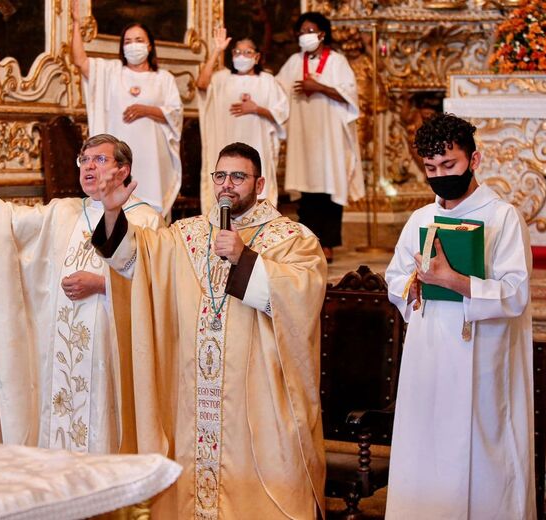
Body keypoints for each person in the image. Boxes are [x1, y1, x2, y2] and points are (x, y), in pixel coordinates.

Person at [91, 142, 327, 519]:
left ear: (260, 183)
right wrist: (112, 210)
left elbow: (302, 299)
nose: (227, 186)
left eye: (238, 176)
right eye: (220, 176)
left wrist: (245, 257)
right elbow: (134, 260)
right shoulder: (186, 235)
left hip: (256, 402)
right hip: (194, 395)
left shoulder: (292, 238)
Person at [0, 134, 164, 453]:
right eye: (84, 159)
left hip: (112, 353)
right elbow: (1, 220)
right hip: (62, 359)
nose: (89, 167)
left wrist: (99, 284)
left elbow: (157, 284)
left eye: (100, 159)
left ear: (123, 170)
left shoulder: (146, 217)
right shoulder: (62, 212)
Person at [384, 113, 534, 519]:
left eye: (449, 165)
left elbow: (515, 292)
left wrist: (456, 281)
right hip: (428, 353)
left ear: (474, 159)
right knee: (424, 446)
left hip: (481, 357)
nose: (440, 175)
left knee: (480, 453)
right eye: (431, 168)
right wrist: (408, 287)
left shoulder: (503, 218)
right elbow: (396, 276)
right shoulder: (420, 218)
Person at [70, 2, 183, 217]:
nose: (133, 45)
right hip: (118, 158)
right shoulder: (110, 72)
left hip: (153, 158)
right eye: (128, 41)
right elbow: (80, 60)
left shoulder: (163, 79)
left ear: (150, 46)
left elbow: (175, 114)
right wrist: (76, 23)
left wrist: (147, 110)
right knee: (118, 208)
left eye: (139, 40)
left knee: (152, 214)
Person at [276, 11, 364, 263]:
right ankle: (308, 242)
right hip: (303, 136)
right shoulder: (294, 61)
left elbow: (350, 95)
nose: (305, 36)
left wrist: (320, 88)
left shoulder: (337, 61)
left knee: (329, 186)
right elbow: (277, 89)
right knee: (307, 189)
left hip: (330, 137)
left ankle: (328, 244)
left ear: (322, 34)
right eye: (301, 31)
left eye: (309, 30)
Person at [196, 27, 289, 215]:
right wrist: (217, 50)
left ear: (256, 57)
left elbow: (282, 114)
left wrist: (257, 109)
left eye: (247, 52)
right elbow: (201, 83)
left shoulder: (268, 81)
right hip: (225, 142)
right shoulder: (221, 78)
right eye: (237, 52)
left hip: (259, 146)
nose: (242, 56)